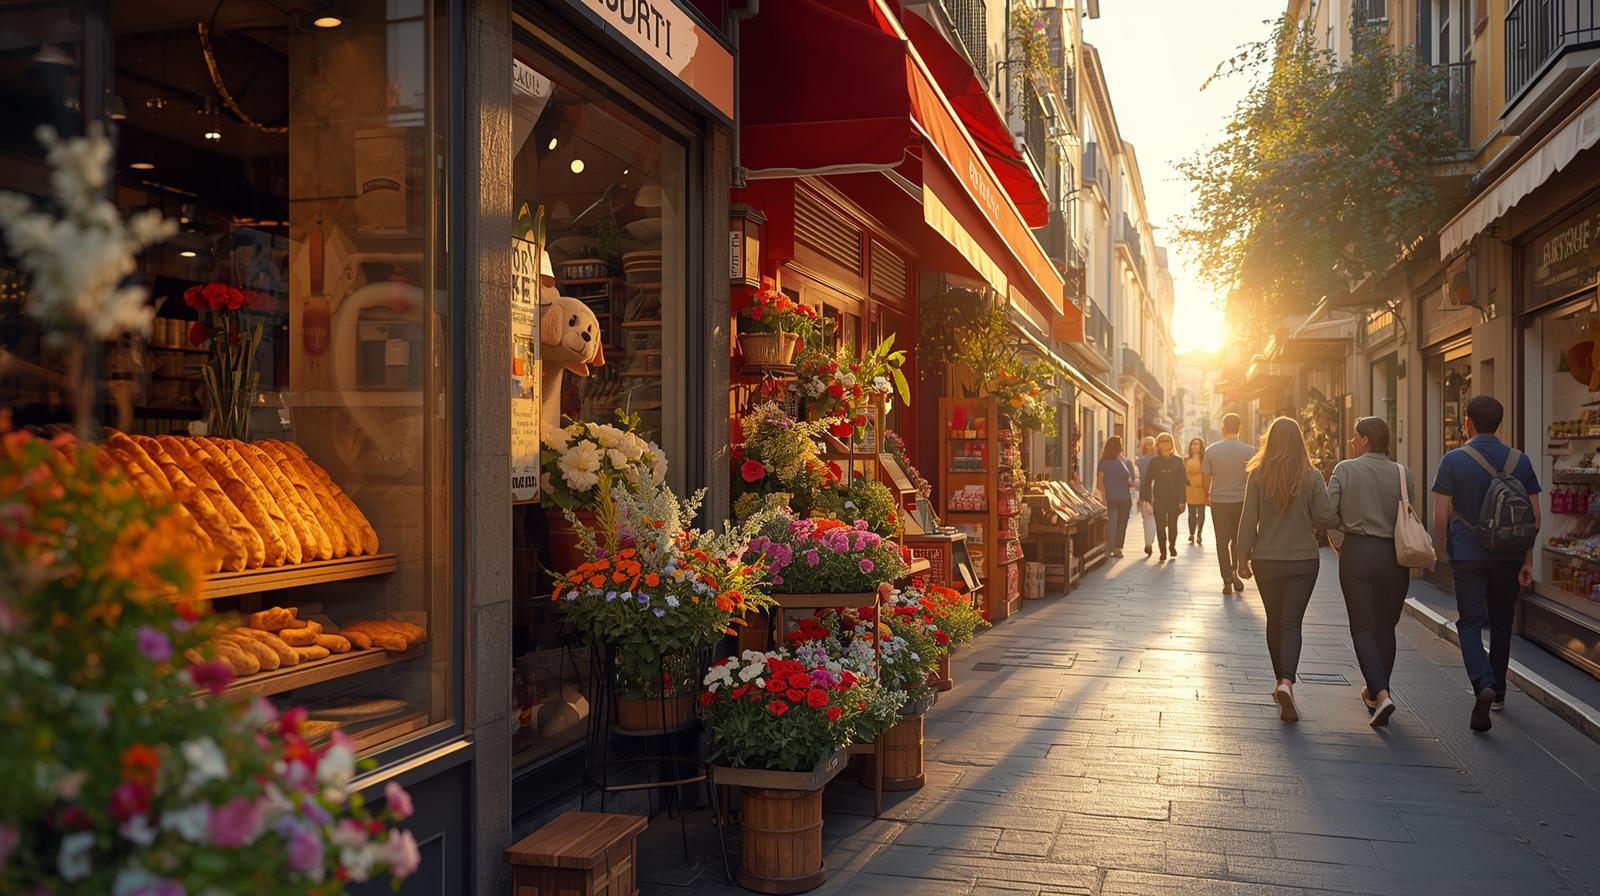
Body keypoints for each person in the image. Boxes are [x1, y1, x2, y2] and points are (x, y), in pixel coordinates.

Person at [1431, 395, 1541, 733]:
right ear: (1499, 424)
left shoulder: (1453, 460)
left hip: (1467, 554)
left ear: (1468, 423)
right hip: (1509, 555)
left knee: (1469, 623)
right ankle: (1499, 694)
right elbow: (1535, 517)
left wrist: (1441, 550)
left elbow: (1439, 515)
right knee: (1502, 621)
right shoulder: (1521, 461)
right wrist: (1527, 559)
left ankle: (1483, 683)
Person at [1236, 416, 1334, 723]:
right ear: (1299, 441)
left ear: (1270, 441)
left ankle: (1281, 681)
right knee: (1292, 623)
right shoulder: (1312, 475)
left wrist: (1241, 557)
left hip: (1266, 560)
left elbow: (1248, 519)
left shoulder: (1258, 475)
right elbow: (1324, 517)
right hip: (1304, 560)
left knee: (1275, 621)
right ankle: (1287, 682)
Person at [1325, 417, 1413, 727]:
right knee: (1385, 628)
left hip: (1358, 552)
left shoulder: (1345, 469)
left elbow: (1326, 513)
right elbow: (1407, 514)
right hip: (1393, 556)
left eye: (1354, 437)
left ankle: (1381, 693)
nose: (1351, 442)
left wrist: (1342, 528)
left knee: (1362, 627)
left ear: (1365, 440)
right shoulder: (1403, 473)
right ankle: (1377, 695)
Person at [1204, 413, 1255, 594]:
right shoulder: (1250, 451)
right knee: (1237, 540)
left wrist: (1207, 495)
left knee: (1221, 541)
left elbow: (1206, 476)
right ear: (1240, 428)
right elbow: (1252, 478)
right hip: (1241, 501)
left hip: (1219, 501)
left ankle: (1226, 578)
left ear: (1223, 429)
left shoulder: (1211, 450)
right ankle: (1234, 570)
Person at [1141, 432, 1187, 561]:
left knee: (1173, 526)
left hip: (1174, 499)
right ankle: (1163, 551)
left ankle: (1172, 546)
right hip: (1159, 498)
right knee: (1160, 526)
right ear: (1158, 445)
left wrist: (1182, 500)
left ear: (1171, 444)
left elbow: (1182, 482)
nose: (1165, 444)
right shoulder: (1154, 461)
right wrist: (1147, 499)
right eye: (1162, 441)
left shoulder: (1178, 461)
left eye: (1167, 441)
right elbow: (1147, 481)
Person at [1096, 436, 1136, 559]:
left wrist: (1103, 499)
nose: (1122, 447)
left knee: (1115, 523)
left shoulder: (1105, 462)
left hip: (1116, 497)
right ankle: (1116, 549)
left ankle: (1113, 549)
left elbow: (1099, 483)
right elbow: (1132, 483)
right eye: (1121, 444)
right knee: (1118, 524)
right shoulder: (1125, 462)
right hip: (1119, 497)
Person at [1135, 436, 1158, 557]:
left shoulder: (1142, 461)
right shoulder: (1142, 461)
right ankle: (1149, 542)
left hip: (1151, 491)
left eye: (1150, 443)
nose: (1149, 446)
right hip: (1149, 491)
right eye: (1147, 443)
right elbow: (1142, 479)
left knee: (1149, 518)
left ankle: (1149, 541)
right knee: (1149, 518)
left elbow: (1143, 480)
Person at [1185, 437, 1207, 545]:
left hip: (1202, 489)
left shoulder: (1205, 459)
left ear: (1201, 446)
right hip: (1190, 489)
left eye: (1197, 444)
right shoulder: (1186, 459)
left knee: (1201, 513)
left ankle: (1199, 533)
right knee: (1191, 514)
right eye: (1193, 444)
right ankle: (1191, 534)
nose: (1194, 446)